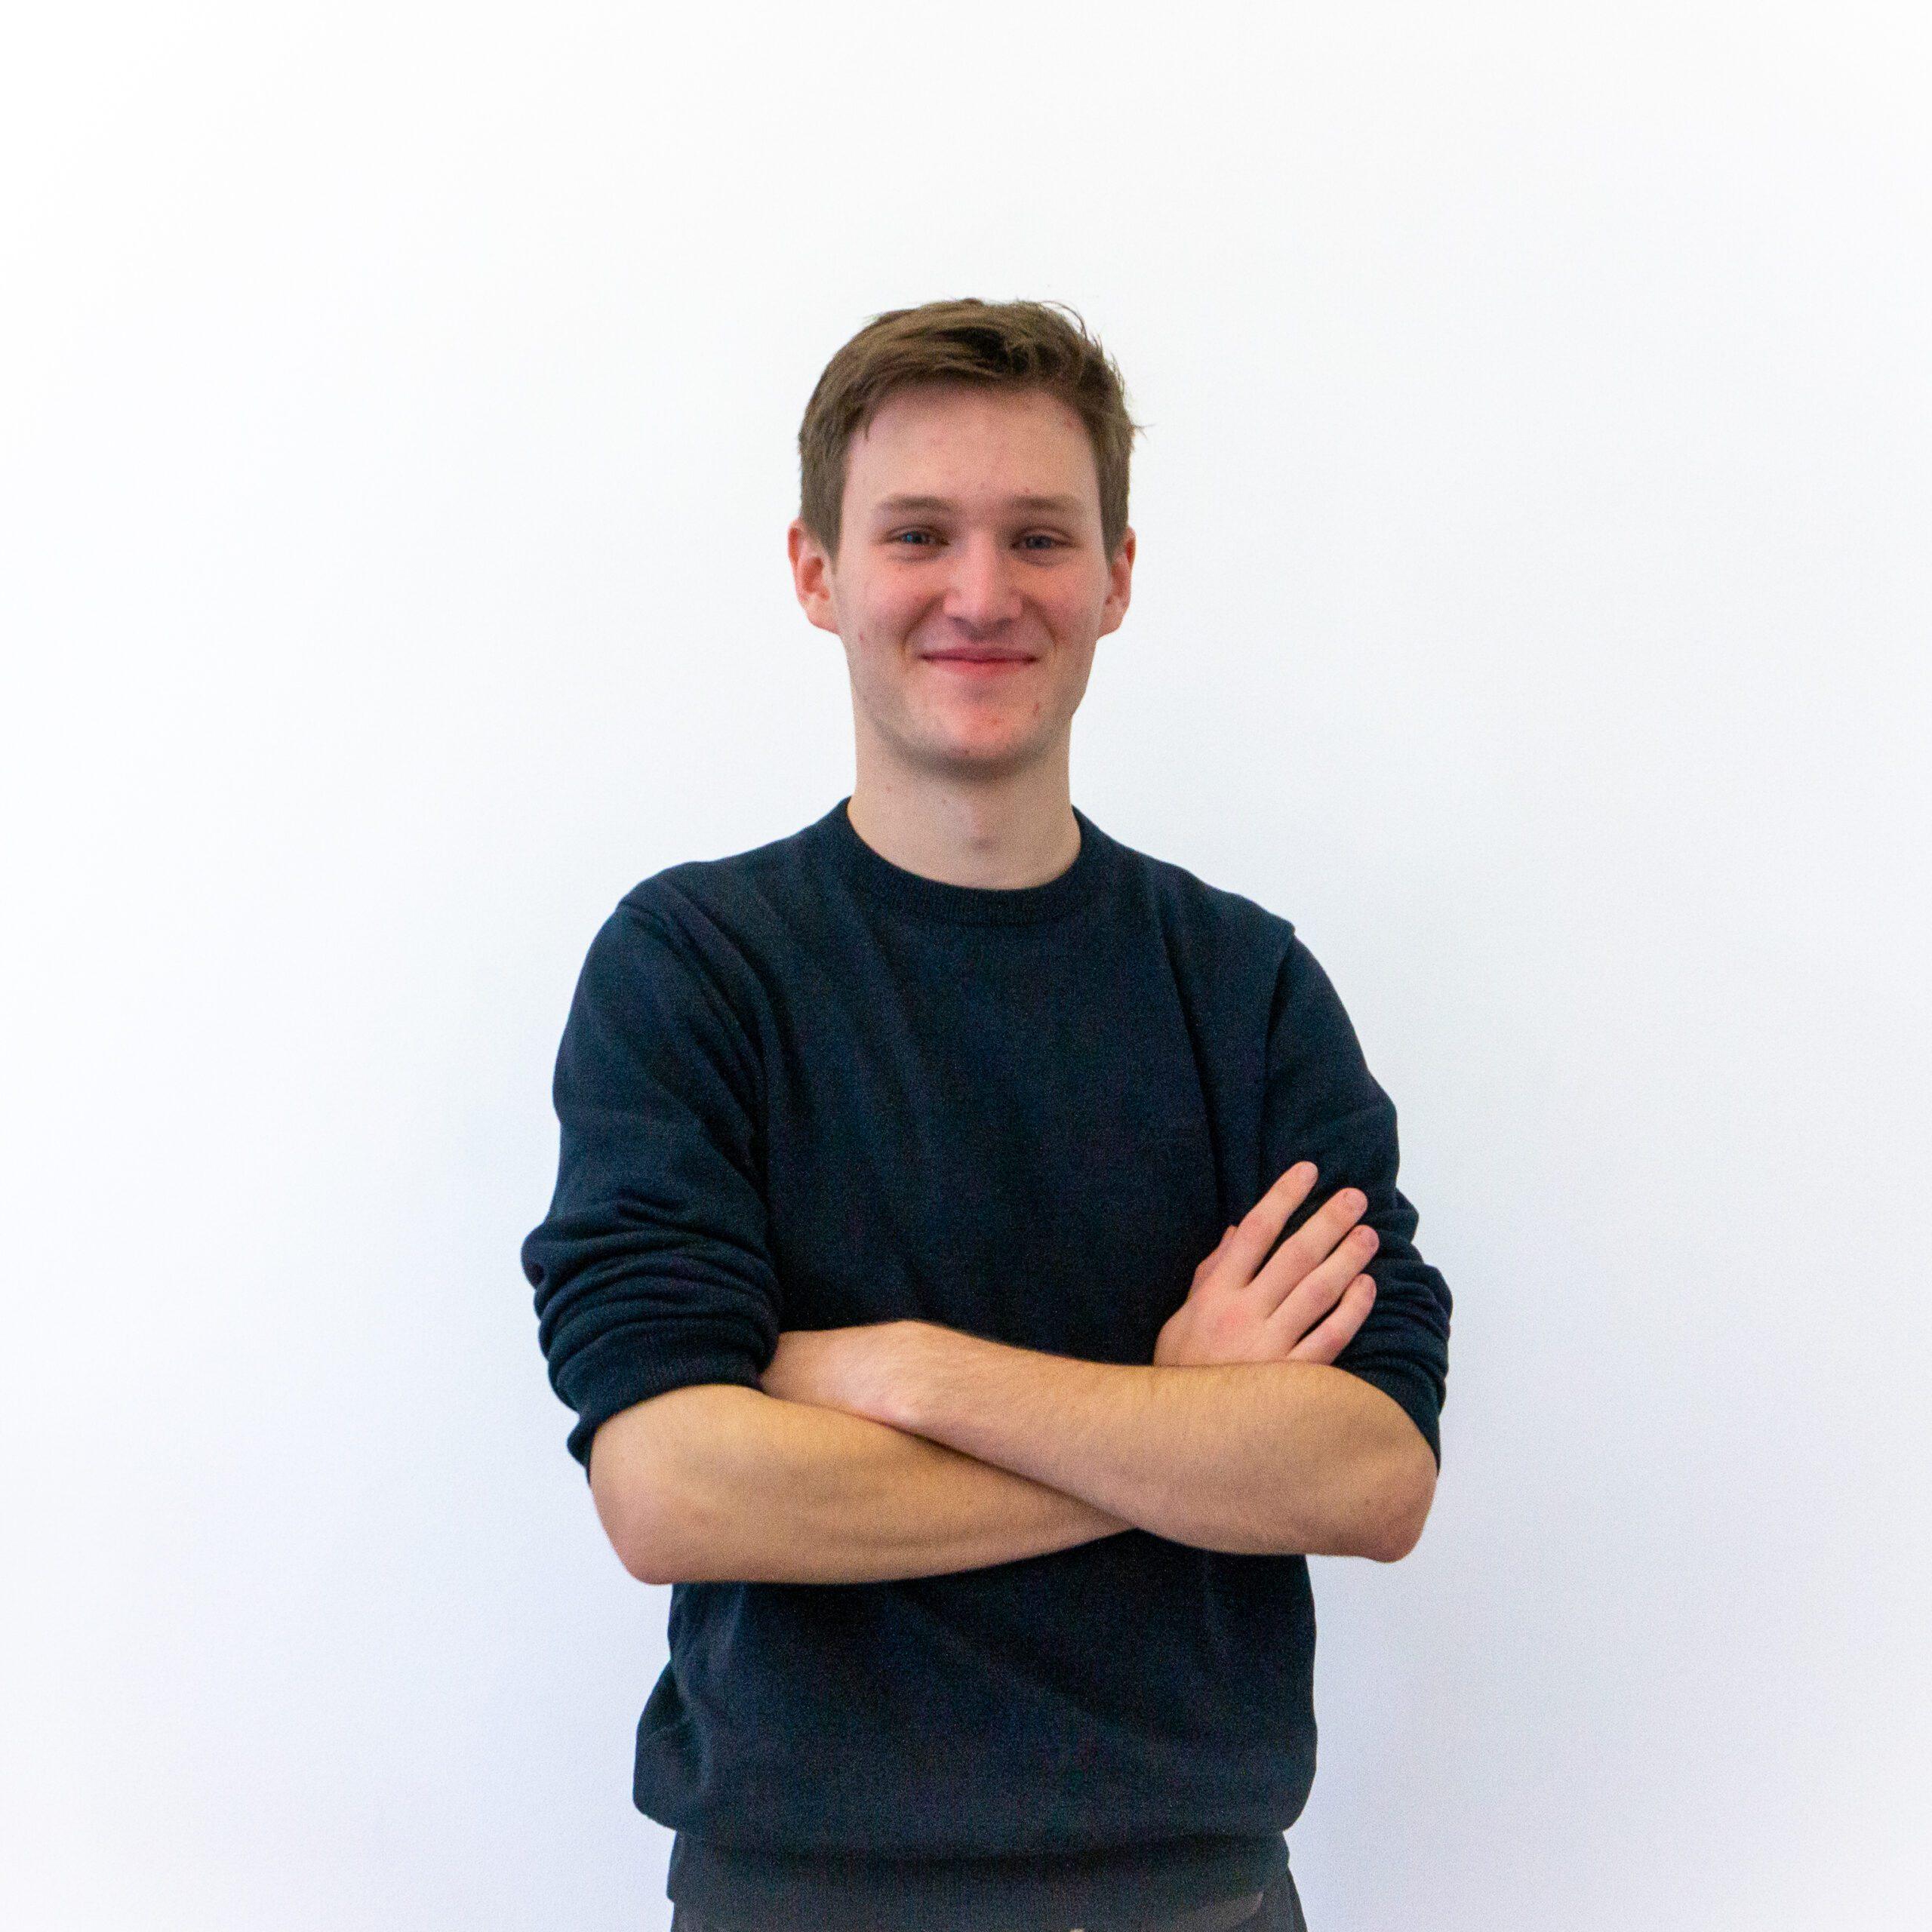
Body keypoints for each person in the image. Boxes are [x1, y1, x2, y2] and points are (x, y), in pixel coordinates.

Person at [519, 298, 1452, 1932]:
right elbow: (671, 1490)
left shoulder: (1241, 986)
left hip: (1199, 1898)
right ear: (815, 574)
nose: (979, 591)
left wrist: (905, 1371)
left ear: (1114, 577)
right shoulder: (694, 970)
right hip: (799, 1897)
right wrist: (1168, 1425)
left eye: (1037, 535)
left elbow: (1367, 1470)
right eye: (916, 534)